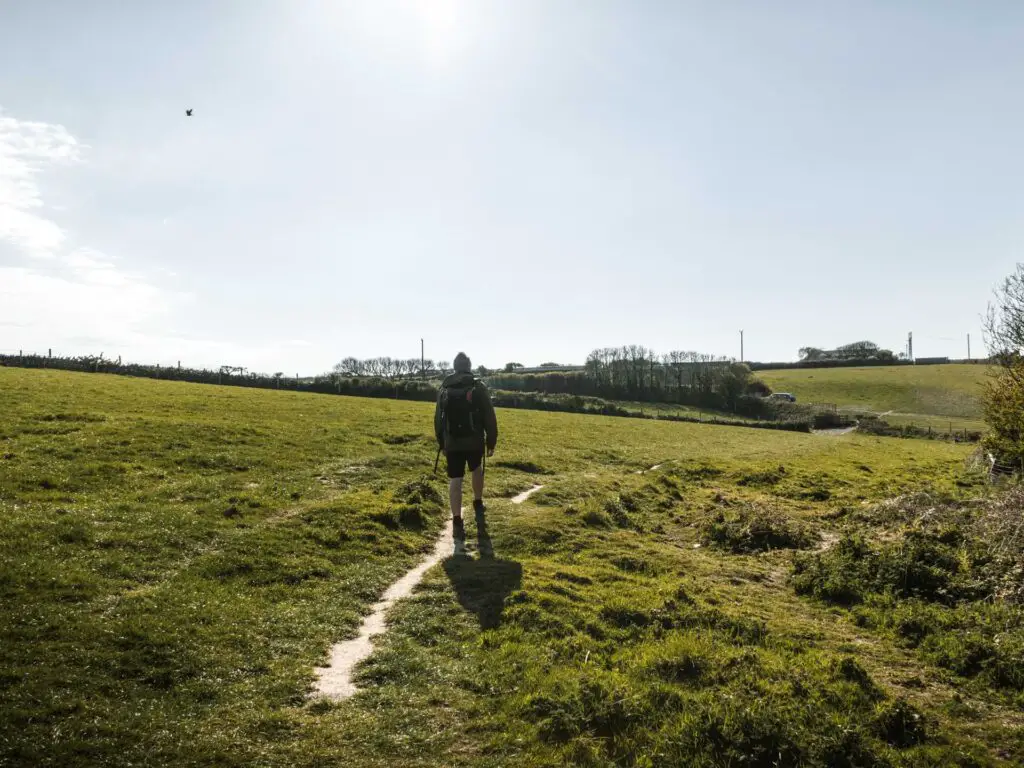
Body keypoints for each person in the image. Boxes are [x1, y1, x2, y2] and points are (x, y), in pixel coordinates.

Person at [434, 352, 498, 535]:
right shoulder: (478, 386)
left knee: (455, 479)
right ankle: (477, 501)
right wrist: (491, 441)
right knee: (476, 469)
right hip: (474, 440)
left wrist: (442, 442)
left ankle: (456, 518)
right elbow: (489, 415)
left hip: (452, 442)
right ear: (469, 366)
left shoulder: (444, 387)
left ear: (455, 367)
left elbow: (438, 418)